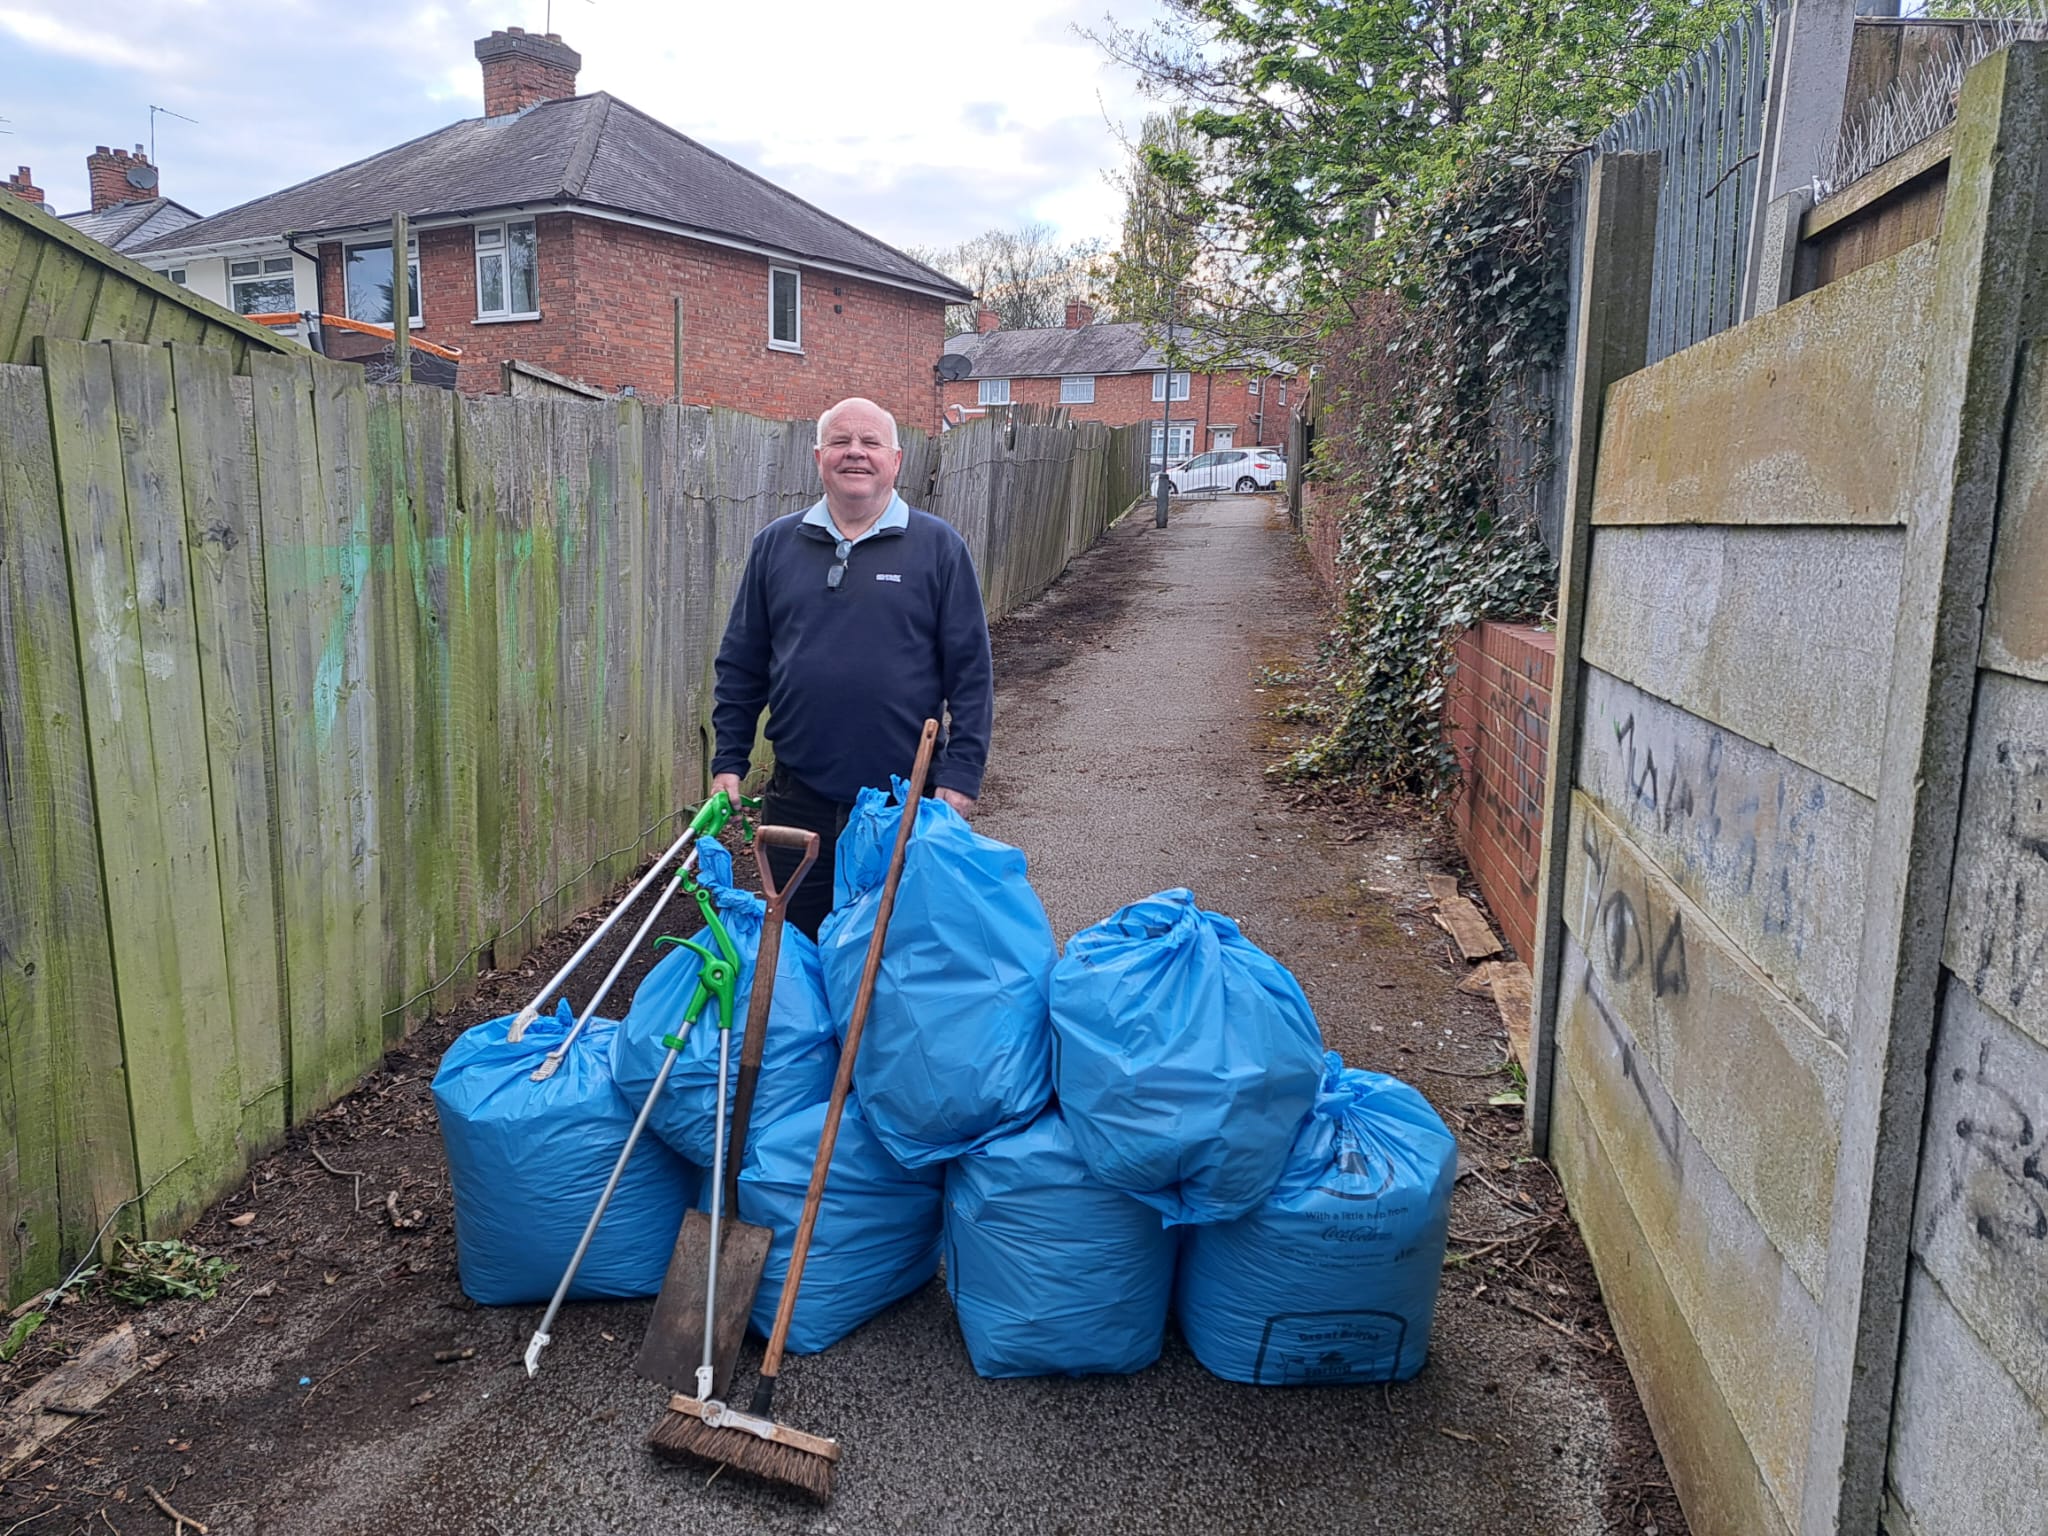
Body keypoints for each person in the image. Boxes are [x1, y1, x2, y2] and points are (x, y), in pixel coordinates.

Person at [710, 397, 993, 938]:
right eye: (841, 442)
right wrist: (730, 760)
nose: (855, 454)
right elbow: (742, 663)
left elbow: (972, 677)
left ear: (896, 459)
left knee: (890, 954)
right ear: (819, 457)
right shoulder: (776, 545)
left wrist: (960, 779)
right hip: (798, 797)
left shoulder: (939, 548)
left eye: (870, 443)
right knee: (794, 946)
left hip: (901, 799)